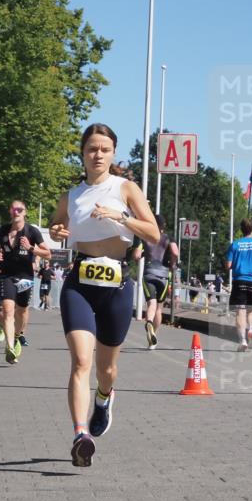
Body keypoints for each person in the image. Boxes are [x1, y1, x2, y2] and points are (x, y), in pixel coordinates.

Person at [49, 123, 160, 468]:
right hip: (80, 283)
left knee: (106, 368)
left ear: (113, 154)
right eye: (91, 149)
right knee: (81, 361)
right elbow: (57, 228)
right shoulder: (71, 196)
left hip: (117, 283)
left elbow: (154, 234)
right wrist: (56, 230)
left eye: (104, 149)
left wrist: (122, 217)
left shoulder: (126, 188)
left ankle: (104, 397)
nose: (97, 155)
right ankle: (80, 434)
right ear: (82, 153)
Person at [0, 200, 50, 364]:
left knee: (22, 311)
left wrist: (31, 248)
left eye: (19, 209)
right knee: (8, 311)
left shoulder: (32, 231)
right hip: (6, 275)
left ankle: (17, 336)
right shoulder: (3, 230)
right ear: (10, 212)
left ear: (25, 212)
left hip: (25, 276)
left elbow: (48, 254)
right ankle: (10, 347)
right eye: (13, 209)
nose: (16, 211)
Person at [130, 213, 179, 350]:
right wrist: (173, 264)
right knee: (159, 307)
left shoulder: (145, 237)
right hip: (163, 276)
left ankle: (149, 322)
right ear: (164, 226)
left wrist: (143, 255)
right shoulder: (169, 238)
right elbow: (175, 252)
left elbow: (136, 255)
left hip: (149, 274)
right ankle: (153, 338)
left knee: (151, 303)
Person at [225, 218, 252, 352]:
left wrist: (238, 264)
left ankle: (243, 341)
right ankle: (251, 330)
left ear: (241, 229)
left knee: (240, 311)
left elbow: (228, 265)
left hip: (239, 280)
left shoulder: (234, 245)